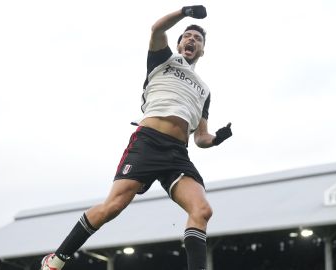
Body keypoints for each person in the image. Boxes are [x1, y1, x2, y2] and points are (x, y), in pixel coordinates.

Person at [40, 5, 232, 270]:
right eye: (187, 36)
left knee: (202, 210)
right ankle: (57, 259)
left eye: (197, 39)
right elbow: (157, 28)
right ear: (178, 44)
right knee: (113, 206)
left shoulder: (204, 90)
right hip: (148, 142)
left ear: (203, 50)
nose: (191, 40)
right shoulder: (163, 60)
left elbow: (200, 136)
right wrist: (185, 12)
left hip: (178, 154)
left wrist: (216, 139)